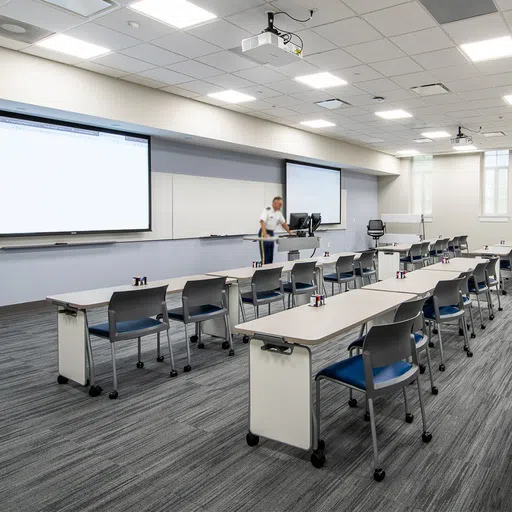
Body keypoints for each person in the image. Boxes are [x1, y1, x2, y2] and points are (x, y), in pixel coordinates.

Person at [259, 196, 294, 264]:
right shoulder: (267, 210)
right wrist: (265, 234)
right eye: (280, 204)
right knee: (265, 256)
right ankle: (263, 273)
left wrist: (290, 232)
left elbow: (283, 223)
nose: (281, 206)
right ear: (275, 203)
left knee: (270, 256)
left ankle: (270, 273)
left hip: (271, 233)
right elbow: (262, 221)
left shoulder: (278, 213)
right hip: (264, 232)